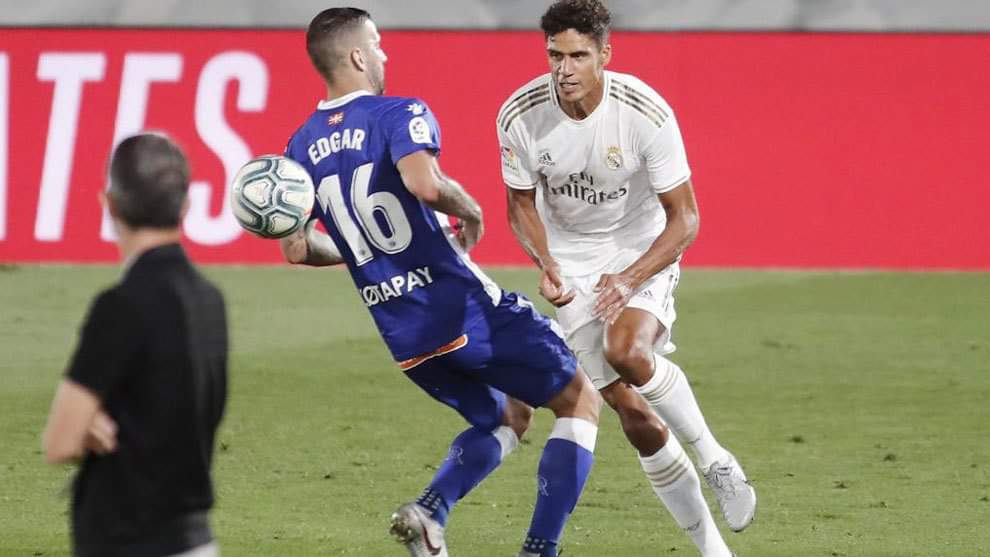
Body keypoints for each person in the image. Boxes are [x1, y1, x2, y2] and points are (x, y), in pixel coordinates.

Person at [278, 8, 600, 557]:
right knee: (580, 400)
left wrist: (361, 253)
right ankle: (540, 550)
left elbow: (297, 248)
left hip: (404, 336)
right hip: (463, 309)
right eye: (377, 44)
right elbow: (425, 185)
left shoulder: (299, 147)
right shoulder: (398, 112)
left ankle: (430, 512)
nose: (383, 54)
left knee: (509, 415)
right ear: (357, 55)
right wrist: (470, 208)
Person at [498, 1, 757, 555]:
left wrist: (629, 276)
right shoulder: (520, 114)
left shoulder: (643, 112)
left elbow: (685, 218)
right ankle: (715, 550)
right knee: (635, 416)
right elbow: (519, 205)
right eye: (555, 55)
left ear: (604, 55)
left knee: (626, 350)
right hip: (572, 266)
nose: (564, 68)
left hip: (640, 249)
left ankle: (715, 459)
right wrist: (546, 263)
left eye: (578, 56)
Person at [41, 133, 228, 557]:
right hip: (195, 539)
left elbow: (60, 441)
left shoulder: (121, 305)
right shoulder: (209, 299)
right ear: (185, 206)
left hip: (128, 539)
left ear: (111, 204)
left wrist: (91, 423)